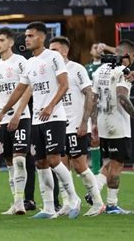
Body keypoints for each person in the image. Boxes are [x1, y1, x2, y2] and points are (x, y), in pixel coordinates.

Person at [0, 21, 80, 219]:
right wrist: (3, 112)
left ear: (41, 37)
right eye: (26, 36)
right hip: (36, 120)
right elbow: (19, 90)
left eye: (30, 36)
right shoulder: (30, 62)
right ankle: (49, 208)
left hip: (54, 117)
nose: (27, 39)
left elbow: (64, 84)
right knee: (41, 163)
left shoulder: (53, 57)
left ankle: (73, 198)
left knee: (53, 159)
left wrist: (50, 106)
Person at [49, 36, 105, 216]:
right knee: (62, 167)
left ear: (65, 51)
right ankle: (67, 203)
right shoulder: (51, 72)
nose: (52, 54)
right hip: (59, 125)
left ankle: (98, 202)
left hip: (76, 125)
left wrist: (85, 122)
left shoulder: (76, 69)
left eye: (55, 50)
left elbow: (90, 95)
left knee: (80, 166)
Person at [0, 27, 31, 215]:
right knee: (9, 162)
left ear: (11, 42)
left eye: (2, 40)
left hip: (21, 117)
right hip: (1, 120)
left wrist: (18, 113)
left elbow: (28, 88)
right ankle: (16, 202)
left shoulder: (20, 61)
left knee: (20, 159)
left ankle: (20, 201)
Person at [91, 39, 134, 214]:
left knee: (109, 162)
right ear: (126, 55)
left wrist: (93, 122)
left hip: (103, 122)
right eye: (133, 55)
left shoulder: (100, 71)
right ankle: (111, 204)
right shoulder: (122, 72)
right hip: (118, 123)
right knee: (117, 165)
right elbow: (121, 97)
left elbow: (93, 98)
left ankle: (95, 191)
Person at [84, 42, 115, 175]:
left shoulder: (108, 66)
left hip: (106, 107)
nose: (98, 50)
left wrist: (107, 47)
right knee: (94, 138)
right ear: (91, 51)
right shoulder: (86, 68)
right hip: (91, 107)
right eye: (95, 47)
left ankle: (108, 165)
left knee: (107, 137)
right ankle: (96, 170)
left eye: (100, 48)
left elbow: (122, 55)